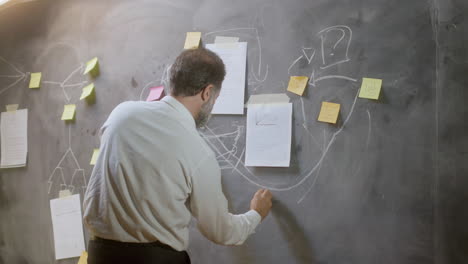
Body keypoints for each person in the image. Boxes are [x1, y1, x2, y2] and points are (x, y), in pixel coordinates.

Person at [83, 48, 273, 264]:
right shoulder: (198, 151)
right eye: (216, 97)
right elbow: (221, 231)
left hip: (99, 255)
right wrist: (256, 214)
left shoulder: (121, 114)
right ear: (207, 93)